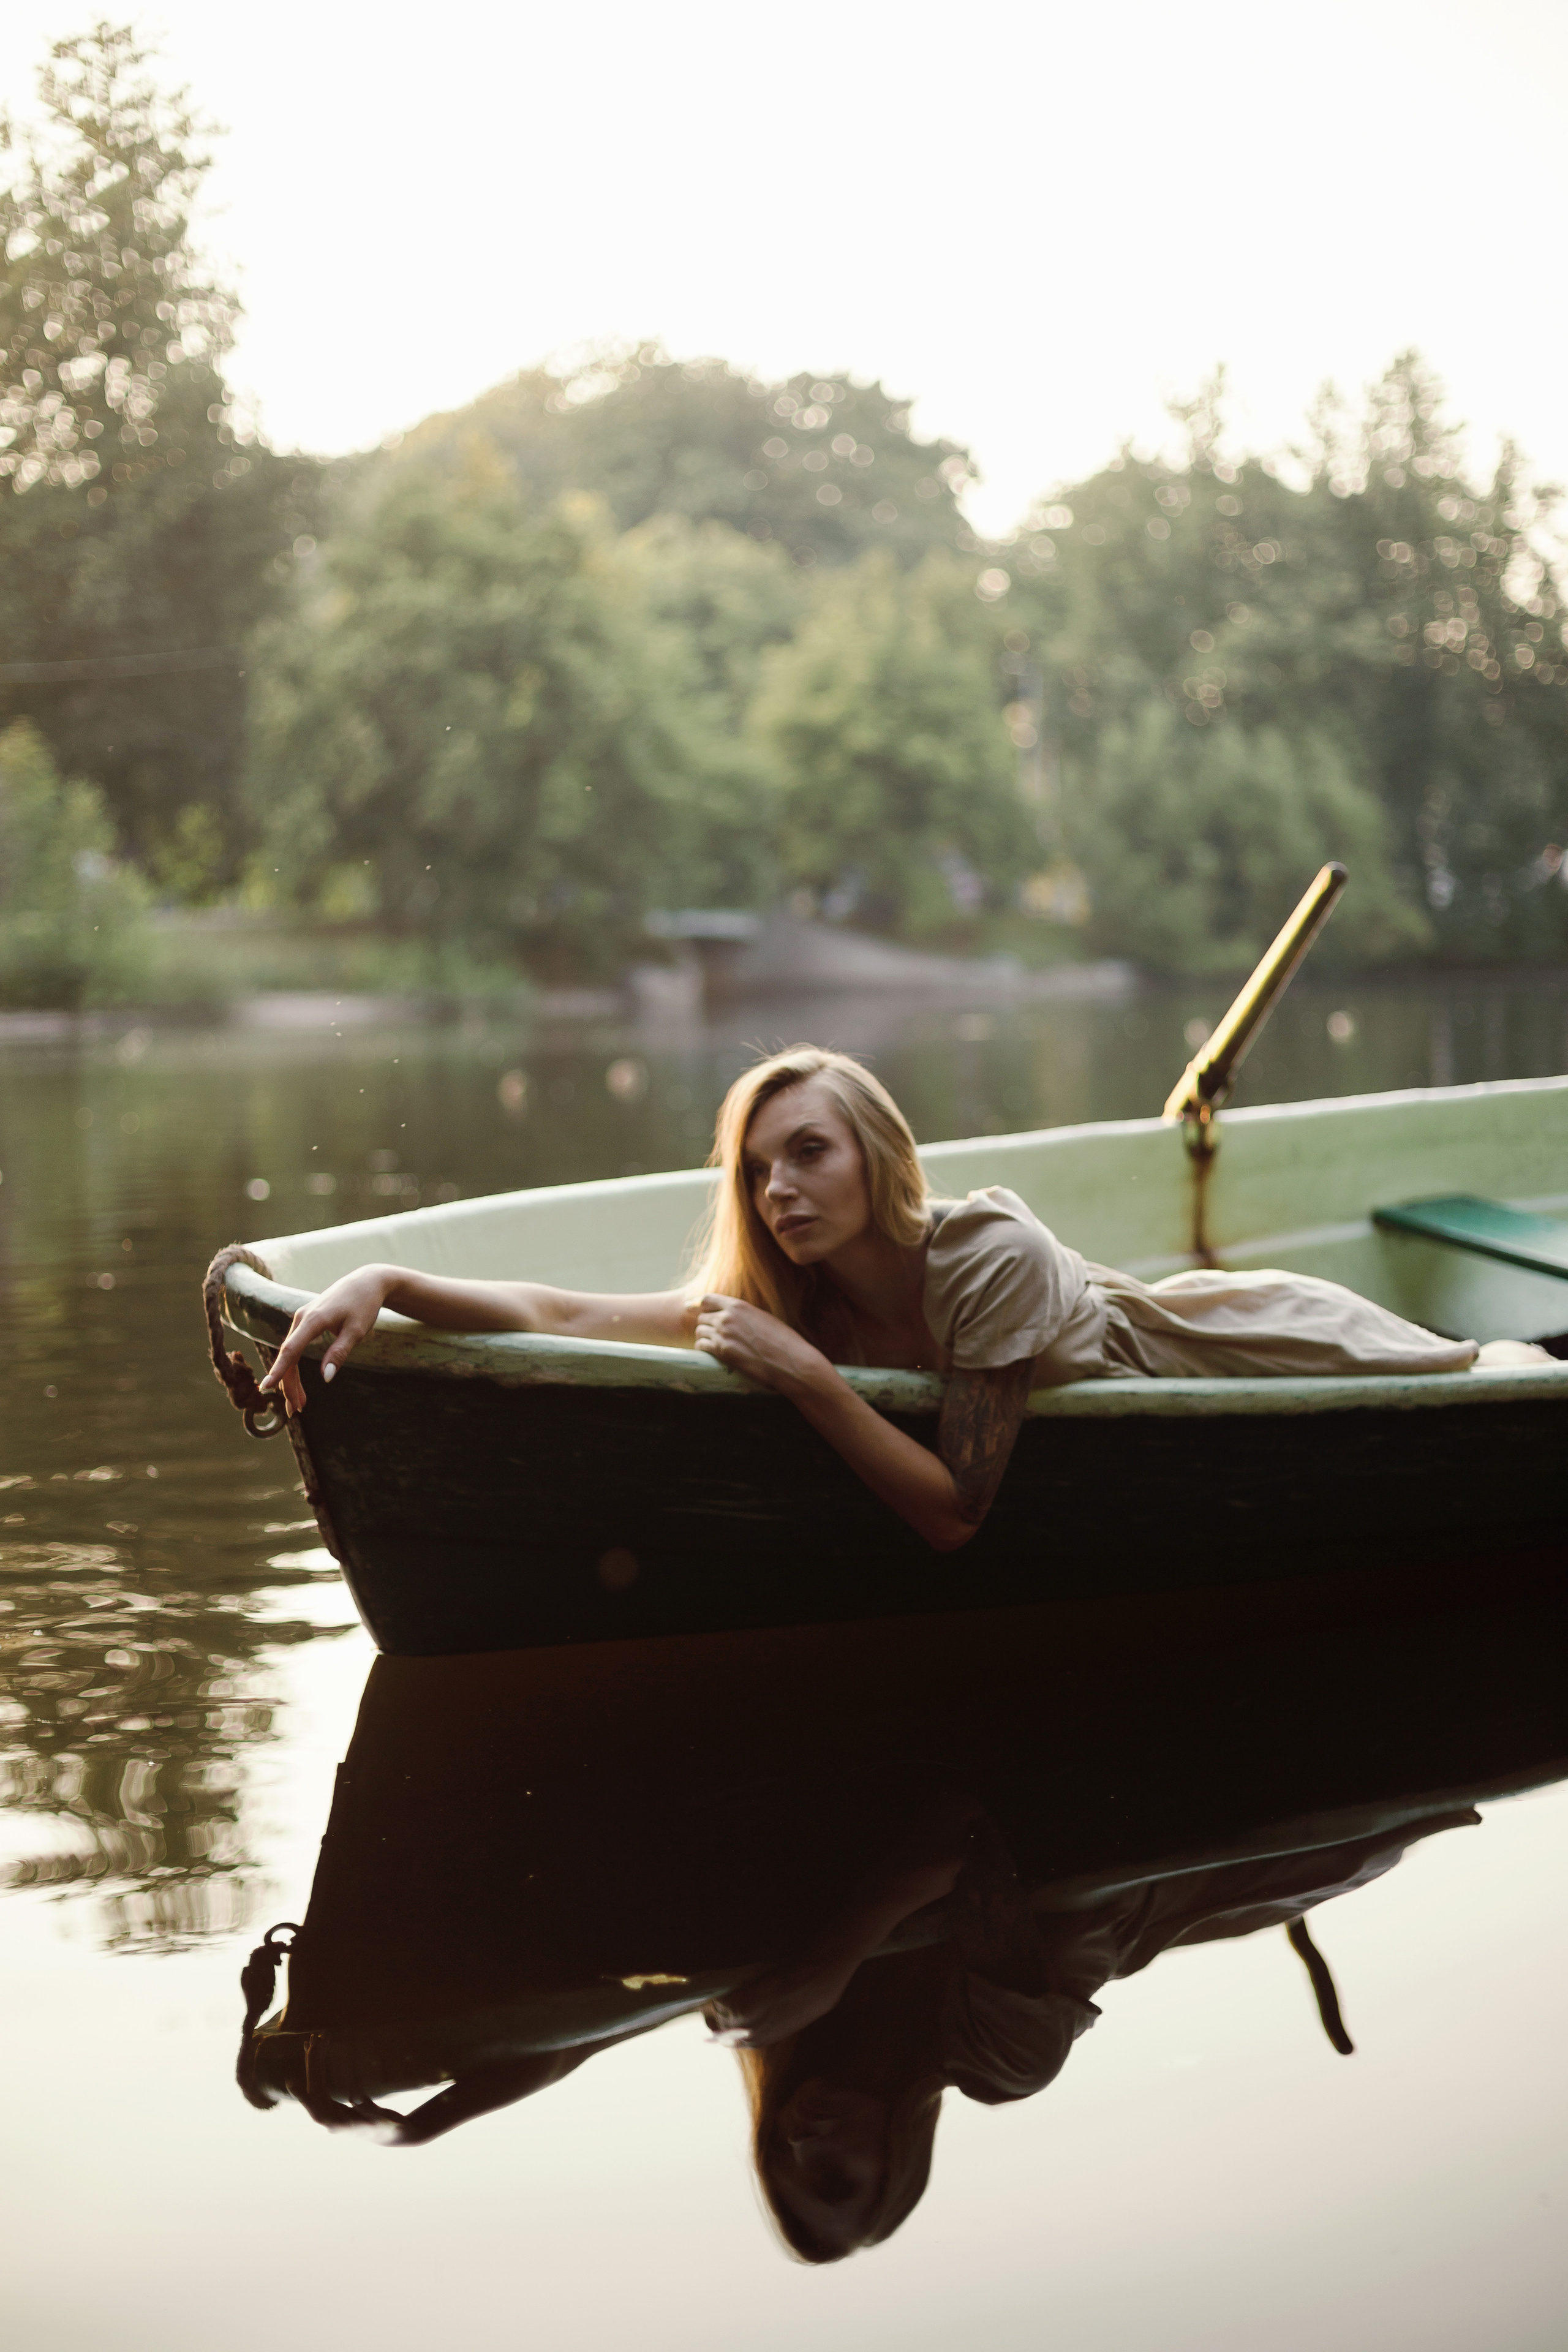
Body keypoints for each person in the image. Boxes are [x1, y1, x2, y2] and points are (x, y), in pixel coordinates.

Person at [258, 1043, 1520, 1555]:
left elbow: (953, 1518)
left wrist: (802, 1382)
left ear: (875, 1153)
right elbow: (576, 1318)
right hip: (1177, 1364)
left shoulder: (981, 1256)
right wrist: (387, 1282)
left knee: (1484, 1374)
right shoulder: (797, 1297)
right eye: (757, 1174)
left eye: (808, 1153)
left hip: (1257, 1352)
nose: (779, 1192)